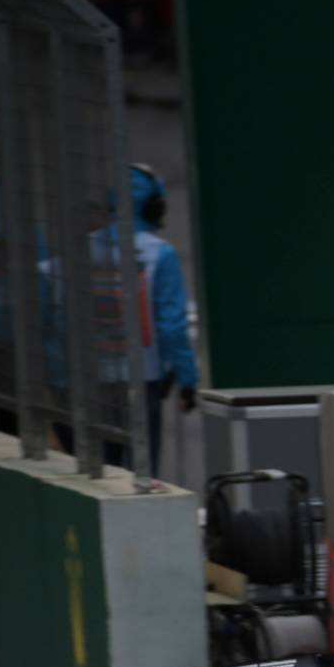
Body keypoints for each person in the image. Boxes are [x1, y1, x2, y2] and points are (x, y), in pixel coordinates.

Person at [128, 164, 198, 464]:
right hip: (145, 377)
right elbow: (171, 326)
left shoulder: (87, 247)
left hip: (92, 382)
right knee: (142, 472)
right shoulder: (160, 253)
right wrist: (187, 379)